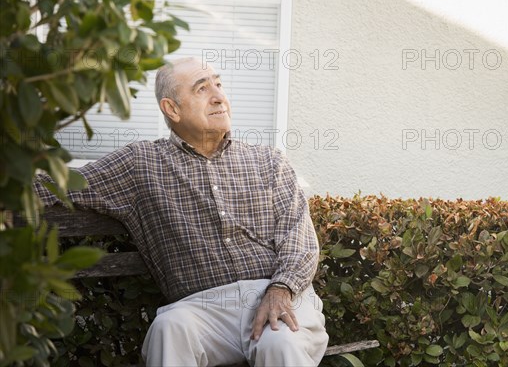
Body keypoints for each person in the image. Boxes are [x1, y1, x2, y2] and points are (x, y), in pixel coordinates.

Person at [34, 57, 329, 366]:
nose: (218, 96)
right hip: (202, 310)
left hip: (280, 295)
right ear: (172, 109)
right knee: (168, 327)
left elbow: (299, 240)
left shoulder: (269, 161)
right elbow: (56, 186)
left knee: (279, 343)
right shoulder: (141, 164)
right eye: (202, 89)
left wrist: (280, 289)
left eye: (218, 84)